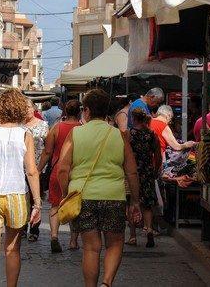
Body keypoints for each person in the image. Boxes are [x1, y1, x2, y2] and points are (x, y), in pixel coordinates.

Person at [57, 89, 142, 287]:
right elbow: (131, 172)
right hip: (113, 196)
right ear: (107, 112)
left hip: (82, 196)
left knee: (91, 248)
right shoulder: (120, 136)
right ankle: (107, 283)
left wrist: (64, 193)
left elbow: (63, 168)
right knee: (114, 243)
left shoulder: (75, 133)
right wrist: (135, 201)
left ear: (85, 111)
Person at [0, 88, 42, 287]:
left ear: (0, 108)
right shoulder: (25, 134)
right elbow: (31, 171)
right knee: (12, 249)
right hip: (16, 195)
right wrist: (37, 202)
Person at [37, 100, 82, 253]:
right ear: (80, 112)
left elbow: (47, 152)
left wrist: (38, 170)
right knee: (75, 206)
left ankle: (54, 236)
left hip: (57, 171)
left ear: (64, 112)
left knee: (55, 205)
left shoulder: (56, 128)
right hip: (77, 172)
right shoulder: (82, 129)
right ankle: (73, 240)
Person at [127, 108, 162, 248]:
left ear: (133, 118)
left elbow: (125, 154)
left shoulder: (130, 134)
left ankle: (133, 236)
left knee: (132, 202)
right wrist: (155, 169)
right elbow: (158, 155)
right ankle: (149, 231)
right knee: (147, 204)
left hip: (132, 172)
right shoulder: (151, 134)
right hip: (147, 172)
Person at [23, 99, 49, 242]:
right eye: (23, 107)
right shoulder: (18, 126)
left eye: (28, 107)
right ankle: (21, 227)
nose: (26, 110)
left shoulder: (43, 126)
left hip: (38, 168)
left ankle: (34, 229)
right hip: (20, 168)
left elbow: (48, 148)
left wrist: (41, 167)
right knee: (22, 198)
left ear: (34, 109)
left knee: (35, 198)